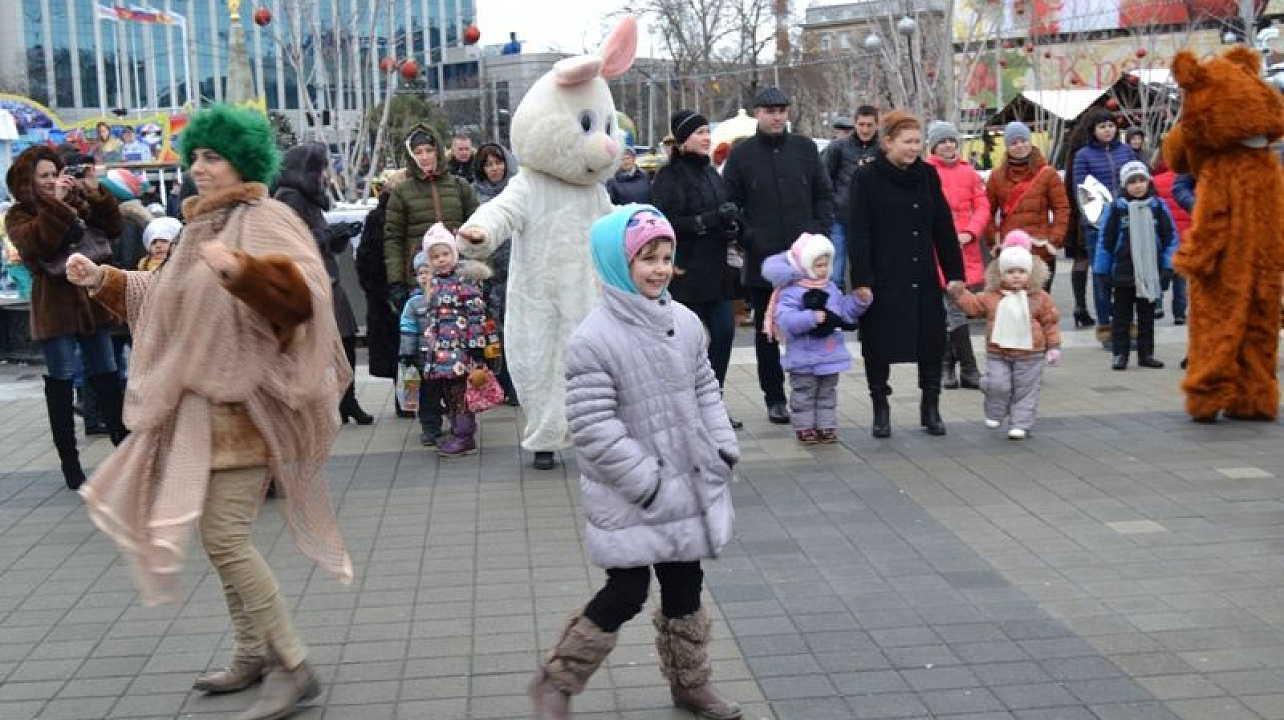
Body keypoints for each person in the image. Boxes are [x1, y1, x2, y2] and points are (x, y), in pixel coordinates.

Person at [65, 104, 353, 720]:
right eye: (195, 157)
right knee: (219, 536)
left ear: (243, 161)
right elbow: (168, 299)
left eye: (212, 157)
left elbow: (303, 297)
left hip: (249, 410)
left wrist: (246, 272)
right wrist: (105, 280)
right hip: (202, 413)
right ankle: (252, 652)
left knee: (224, 537)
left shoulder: (264, 219)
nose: (199, 167)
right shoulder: (201, 227)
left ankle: (293, 666)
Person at [528, 204, 741, 720]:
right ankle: (558, 679)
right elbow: (594, 427)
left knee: (685, 588)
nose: (660, 268)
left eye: (666, 257)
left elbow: (706, 388)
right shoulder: (593, 339)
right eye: (647, 258)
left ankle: (691, 683)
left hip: (687, 484)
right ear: (617, 264)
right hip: (633, 492)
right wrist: (646, 483)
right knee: (626, 590)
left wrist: (721, 446)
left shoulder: (686, 322)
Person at [4, 145, 127, 489]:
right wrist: (56, 205)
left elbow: (113, 228)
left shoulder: (74, 201)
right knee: (61, 379)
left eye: (54, 174)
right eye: (43, 176)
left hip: (90, 302)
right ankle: (70, 461)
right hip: (54, 306)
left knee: (107, 373)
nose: (51, 181)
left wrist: (96, 193)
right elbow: (39, 245)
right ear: (28, 180)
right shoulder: (18, 215)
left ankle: (127, 449)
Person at [849, 109, 966, 438]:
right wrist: (861, 281)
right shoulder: (867, 178)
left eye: (918, 141)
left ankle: (931, 406)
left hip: (921, 272)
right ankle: (880, 408)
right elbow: (859, 232)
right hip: (883, 275)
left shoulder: (928, 175)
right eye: (908, 142)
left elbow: (942, 226)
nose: (915, 147)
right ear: (888, 142)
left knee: (931, 341)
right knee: (878, 344)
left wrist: (953, 272)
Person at [722, 86, 834, 425]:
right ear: (757, 112)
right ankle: (774, 397)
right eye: (770, 110)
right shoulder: (742, 155)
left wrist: (818, 235)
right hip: (764, 261)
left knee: (811, 324)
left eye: (782, 110)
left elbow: (823, 193)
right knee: (767, 332)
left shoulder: (804, 148)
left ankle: (810, 393)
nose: (777, 116)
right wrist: (750, 238)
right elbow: (731, 205)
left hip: (806, 259)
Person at [385, 124, 479, 443]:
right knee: (427, 357)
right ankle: (429, 421)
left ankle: (460, 415)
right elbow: (393, 238)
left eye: (430, 151)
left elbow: (477, 230)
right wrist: (397, 281)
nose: (426, 158)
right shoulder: (402, 192)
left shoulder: (460, 186)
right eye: (419, 153)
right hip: (422, 284)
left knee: (458, 358)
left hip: (459, 281)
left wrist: (480, 271)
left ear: (440, 152)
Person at [650, 109, 743, 428]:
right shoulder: (668, 176)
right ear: (683, 139)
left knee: (724, 334)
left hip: (718, 271)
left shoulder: (712, 172)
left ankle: (712, 402)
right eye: (699, 133)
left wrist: (732, 223)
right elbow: (665, 224)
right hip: (685, 274)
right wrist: (710, 220)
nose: (706, 138)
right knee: (683, 344)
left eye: (707, 132)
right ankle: (683, 407)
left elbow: (724, 209)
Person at [273, 142, 371, 425]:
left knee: (346, 337)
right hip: (309, 280)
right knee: (333, 341)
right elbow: (292, 244)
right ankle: (338, 401)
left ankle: (347, 399)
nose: (325, 174)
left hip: (325, 275)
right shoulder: (290, 197)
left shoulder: (305, 197)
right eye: (320, 168)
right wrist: (330, 237)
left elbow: (316, 238)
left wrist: (338, 236)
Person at [950, 231, 1061, 440]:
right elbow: (974, 307)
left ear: (1031, 273)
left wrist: (1053, 346)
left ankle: (1021, 423)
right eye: (1010, 271)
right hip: (998, 352)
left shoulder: (1039, 298)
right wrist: (960, 294)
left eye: (1021, 271)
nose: (1016, 276)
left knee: (1025, 390)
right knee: (998, 385)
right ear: (1000, 274)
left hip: (1031, 353)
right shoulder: (992, 296)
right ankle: (995, 411)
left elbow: (1050, 322)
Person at [761, 233, 869, 444]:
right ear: (805, 266)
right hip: (803, 356)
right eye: (819, 265)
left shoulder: (830, 288)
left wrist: (859, 301)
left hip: (829, 354)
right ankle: (805, 426)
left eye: (827, 265)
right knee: (804, 394)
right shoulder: (791, 291)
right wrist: (811, 317)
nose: (824, 270)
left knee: (827, 393)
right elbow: (786, 319)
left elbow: (843, 313)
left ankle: (826, 425)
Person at [399, 224, 492, 456]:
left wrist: (476, 346)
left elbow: (476, 316)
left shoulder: (464, 282)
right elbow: (432, 319)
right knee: (450, 393)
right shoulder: (434, 284)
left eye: (445, 254)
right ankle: (458, 432)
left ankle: (464, 436)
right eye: (435, 256)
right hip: (440, 351)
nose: (441, 260)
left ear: (454, 253)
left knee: (461, 393)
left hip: (461, 350)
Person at [925, 120, 990, 391]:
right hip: (936, 249)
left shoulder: (968, 172)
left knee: (955, 308)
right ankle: (965, 367)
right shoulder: (926, 172)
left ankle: (950, 365)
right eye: (942, 141)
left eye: (952, 140)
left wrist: (971, 232)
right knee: (950, 310)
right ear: (933, 145)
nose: (949, 145)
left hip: (965, 248)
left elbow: (982, 206)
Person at [1094, 161, 1176, 370]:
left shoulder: (1158, 207)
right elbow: (1105, 241)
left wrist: (1167, 266)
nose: (1138, 186)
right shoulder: (1116, 209)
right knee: (1121, 316)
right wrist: (1101, 271)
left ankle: (1146, 354)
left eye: (1142, 180)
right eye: (1132, 182)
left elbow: (1170, 238)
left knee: (1147, 317)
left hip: (1150, 272)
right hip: (1122, 271)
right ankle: (1120, 354)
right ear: (1124, 185)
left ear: (1149, 182)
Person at [1072, 108, 1138, 347]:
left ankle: (1128, 327)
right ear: (1093, 130)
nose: (1107, 130)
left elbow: (1138, 181)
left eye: (1110, 125)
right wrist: (1098, 219)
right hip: (1097, 225)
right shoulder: (1084, 155)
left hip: (1127, 221)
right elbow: (1081, 192)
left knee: (1128, 276)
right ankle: (1106, 329)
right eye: (1102, 126)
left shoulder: (1127, 151)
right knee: (1102, 277)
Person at [986, 121, 1070, 293]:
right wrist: (994, 242)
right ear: (1007, 147)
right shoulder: (996, 176)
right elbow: (987, 212)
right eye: (1014, 143)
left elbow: (1062, 209)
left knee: (1040, 305)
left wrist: (1053, 240)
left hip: (1041, 248)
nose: (1020, 146)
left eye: (1023, 141)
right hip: (1010, 249)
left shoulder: (1048, 174)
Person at [471, 142, 519, 404]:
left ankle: (516, 385)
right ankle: (496, 385)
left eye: (498, 162)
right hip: (488, 276)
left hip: (515, 273)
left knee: (515, 331)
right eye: (488, 164)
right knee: (492, 333)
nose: (494, 169)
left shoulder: (517, 191)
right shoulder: (473, 194)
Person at [821, 105, 880, 288]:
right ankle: (836, 313)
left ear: (876, 125)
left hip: (872, 221)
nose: (865, 129)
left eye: (869, 125)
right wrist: (829, 209)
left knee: (867, 273)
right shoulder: (838, 147)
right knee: (835, 274)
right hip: (841, 218)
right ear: (855, 124)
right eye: (861, 124)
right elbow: (824, 180)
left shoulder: (883, 150)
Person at [1149, 150, 1189, 324]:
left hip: (1164, 237)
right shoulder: (1189, 182)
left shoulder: (1155, 182)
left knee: (1161, 270)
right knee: (1181, 278)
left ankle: (1157, 302)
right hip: (1186, 234)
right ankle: (1179, 313)